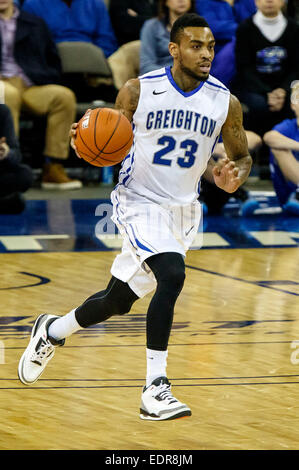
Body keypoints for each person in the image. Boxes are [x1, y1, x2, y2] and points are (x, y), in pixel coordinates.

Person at [18, 13, 252, 421]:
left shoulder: (224, 101)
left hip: (183, 211)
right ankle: (154, 388)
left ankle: (52, 331)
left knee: (118, 300)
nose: (207, 53)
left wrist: (235, 178)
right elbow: (108, 136)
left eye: (211, 46)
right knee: (173, 275)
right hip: (138, 200)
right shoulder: (138, 90)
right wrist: (83, 141)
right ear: (174, 49)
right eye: (196, 46)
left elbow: (242, 156)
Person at [0, 0, 82, 190]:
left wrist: (39, 75)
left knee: (64, 96)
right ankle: (9, 162)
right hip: (2, 83)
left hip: (31, 84)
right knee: (7, 94)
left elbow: (52, 59)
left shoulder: (35, 22)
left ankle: (53, 166)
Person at [234, 0, 299, 136]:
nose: (269, 0)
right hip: (254, 87)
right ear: (255, 1)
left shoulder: (294, 28)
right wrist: (267, 93)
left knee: (293, 103)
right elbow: (244, 68)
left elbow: (296, 68)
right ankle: (259, 148)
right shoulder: (244, 28)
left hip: (285, 86)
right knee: (259, 105)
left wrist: (283, 90)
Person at [22, 0, 118, 59]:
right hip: (52, 63)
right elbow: (31, 44)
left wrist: (96, 58)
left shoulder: (96, 3)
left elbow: (106, 39)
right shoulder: (32, 4)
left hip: (91, 65)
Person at [195, 0, 257, 86]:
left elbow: (258, 21)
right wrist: (243, 30)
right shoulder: (205, 2)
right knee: (235, 45)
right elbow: (212, 28)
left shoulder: (247, 1)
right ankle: (215, 89)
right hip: (219, 53)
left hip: (249, 48)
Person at [263, 81, 299, 214]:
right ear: (293, 105)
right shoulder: (288, 126)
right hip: (288, 195)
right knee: (278, 147)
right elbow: (269, 137)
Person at [140, 0, 194, 75]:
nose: (181, 0)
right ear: (165, 2)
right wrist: (173, 76)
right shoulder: (151, 26)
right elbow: (146, 65)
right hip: (159, 78)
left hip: (192, 79)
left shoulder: (200, 27)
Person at [0, 102, 33, 213]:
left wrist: (6, 153)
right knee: (16, 202)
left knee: (24, 174)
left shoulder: (2, 111)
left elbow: (16, 155)